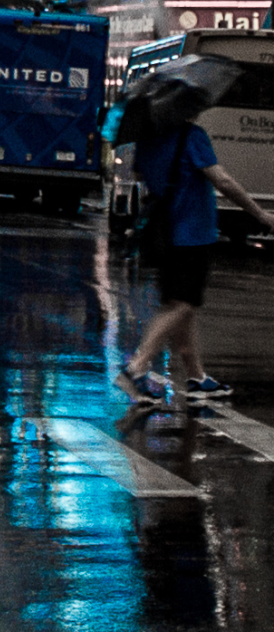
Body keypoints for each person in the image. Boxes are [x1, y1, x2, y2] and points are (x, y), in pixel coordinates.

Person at [117, 109, 274, 414]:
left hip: (163, 236)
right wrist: (260, 214)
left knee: (180, 305)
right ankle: (135, 369)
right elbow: (223, 181)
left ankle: (196, 377)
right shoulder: (193, 136)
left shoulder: (148, 141)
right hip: (192, 233)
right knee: (183, 304)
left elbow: (139, 176)